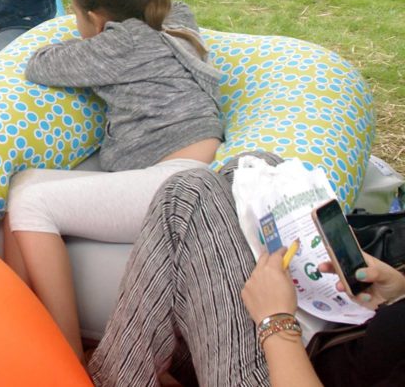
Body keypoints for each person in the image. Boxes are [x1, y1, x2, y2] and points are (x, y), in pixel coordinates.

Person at [3, 0, 223, 362]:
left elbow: (42, 65)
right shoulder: (175, 21)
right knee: (22, 185)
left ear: (98, 20)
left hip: (176, 186)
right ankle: (19, 325)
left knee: (32, 205)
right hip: (191, 171)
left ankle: (67, 360)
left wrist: (88, 38)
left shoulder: (116, 46)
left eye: (75, 13)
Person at [88, 159, 405, 386]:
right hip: (338, 342)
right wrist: (398, 292)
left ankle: (116, 375)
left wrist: (277, 323)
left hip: (297, 363)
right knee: (252, 170)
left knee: (186, 195)